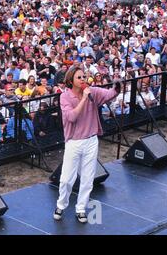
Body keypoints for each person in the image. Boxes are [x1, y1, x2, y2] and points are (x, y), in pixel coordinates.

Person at [54, 65, 120, 223]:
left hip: (91, 140)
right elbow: (71, 117)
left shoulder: (93, 92)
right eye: (79, 77)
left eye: (84, 77)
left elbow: (111, 94)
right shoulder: (65, 97)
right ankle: (61, 205)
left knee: (88, 178)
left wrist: (117, 85)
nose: (83, 80)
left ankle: (81, 209)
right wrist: (84, 98)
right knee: (66, 179)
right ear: (71, 80)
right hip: (74, 142)